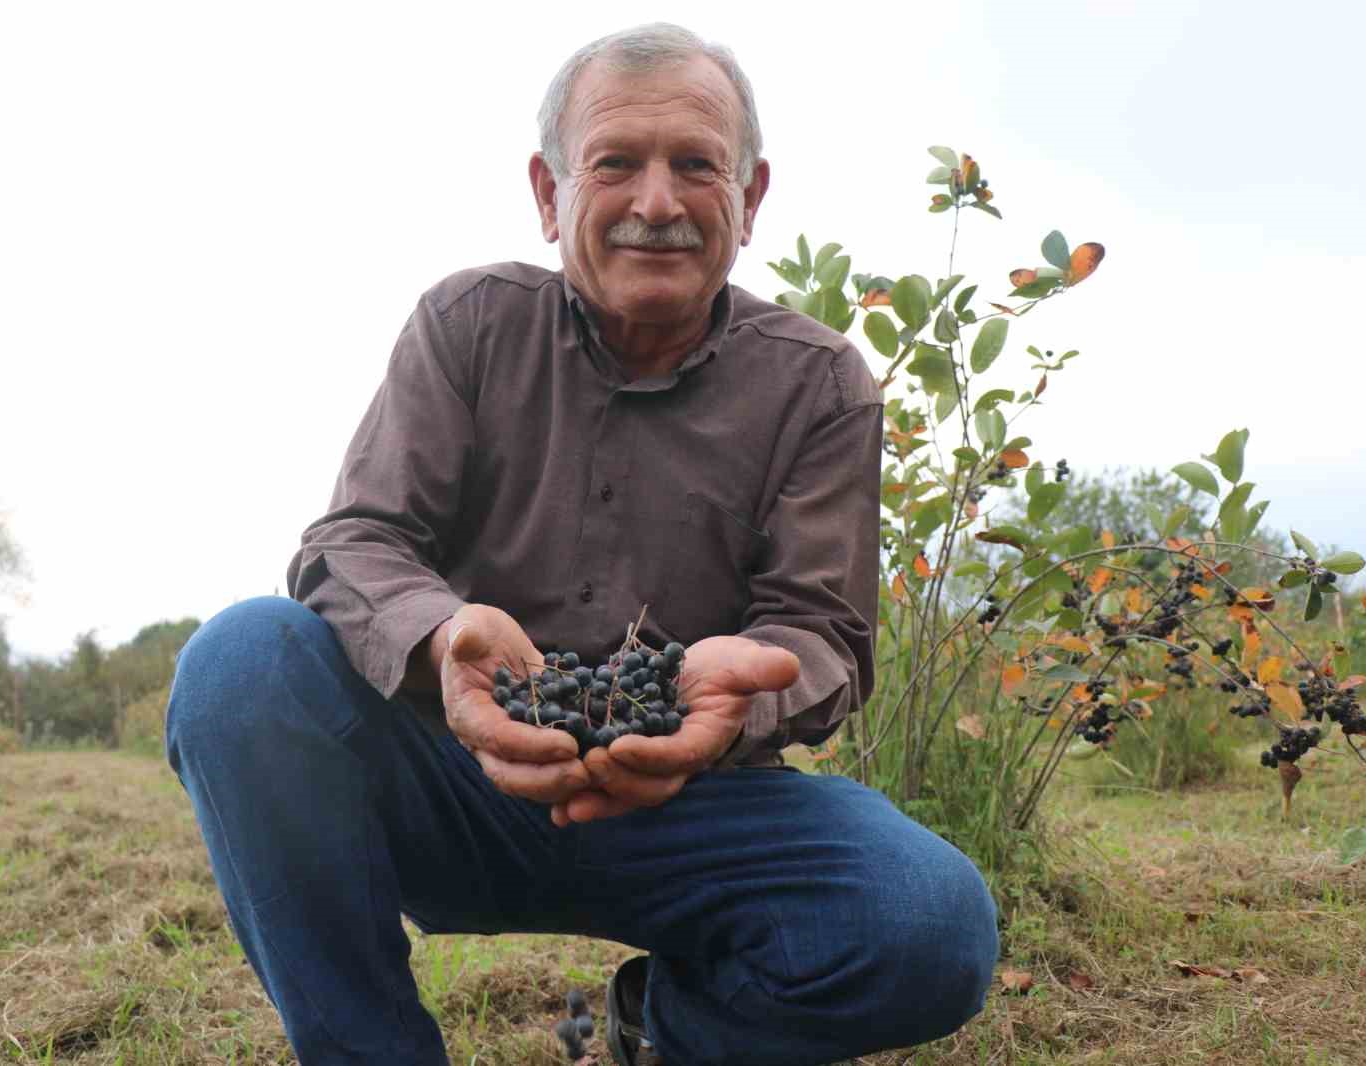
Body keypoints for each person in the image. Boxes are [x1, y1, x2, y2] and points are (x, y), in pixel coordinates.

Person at [166, 22, 998, 1066]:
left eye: (697, 165)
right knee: (242, 660)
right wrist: (442, 637)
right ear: (549, 193)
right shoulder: (468, 326)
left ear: (750, 198)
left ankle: (668, 1032)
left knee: (929, 920)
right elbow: (357, 541)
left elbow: (822, 629)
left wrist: (745, 695)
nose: (657, 203)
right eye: (615, 163)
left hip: (697, 801)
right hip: (466, 777)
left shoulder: (819, 384)